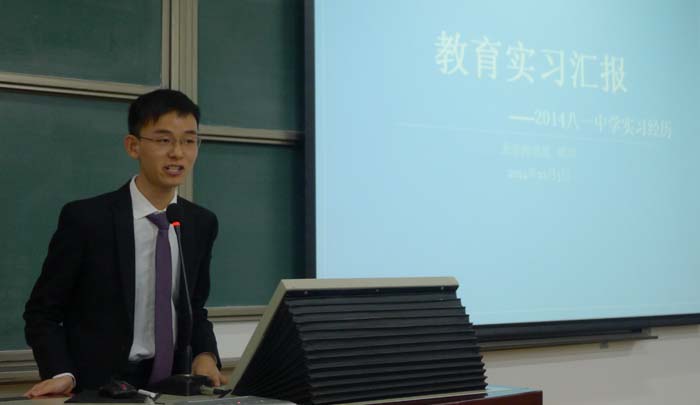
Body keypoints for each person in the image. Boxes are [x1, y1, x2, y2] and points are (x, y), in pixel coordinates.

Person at [23, 89, 228, 397]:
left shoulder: (200, 223)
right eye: (163, 140)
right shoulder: (88, 219)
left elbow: (194, 307)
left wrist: (206, 354)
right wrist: (61, 372)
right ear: (133, 146)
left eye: (189, 141)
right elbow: (43, 312)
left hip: (175, 386)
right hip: (101, 387)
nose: (178, 153)